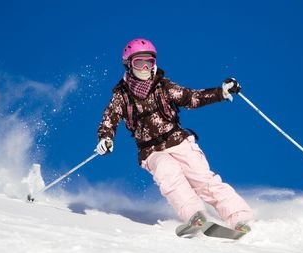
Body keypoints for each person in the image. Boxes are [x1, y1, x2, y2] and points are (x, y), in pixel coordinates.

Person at [95, 38, 254, 233]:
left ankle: (239, 217)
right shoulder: (121, 96)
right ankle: (195, 215)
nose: (145, 67)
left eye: (149, 62)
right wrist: (106, 138)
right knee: (167, 173)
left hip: (177, 140)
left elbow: (191, 98)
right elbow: (109, 119)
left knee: (202, 179)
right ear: (129, 65)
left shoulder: (164, 87)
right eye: (139, 63)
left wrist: (220, 92)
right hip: (151, 151)